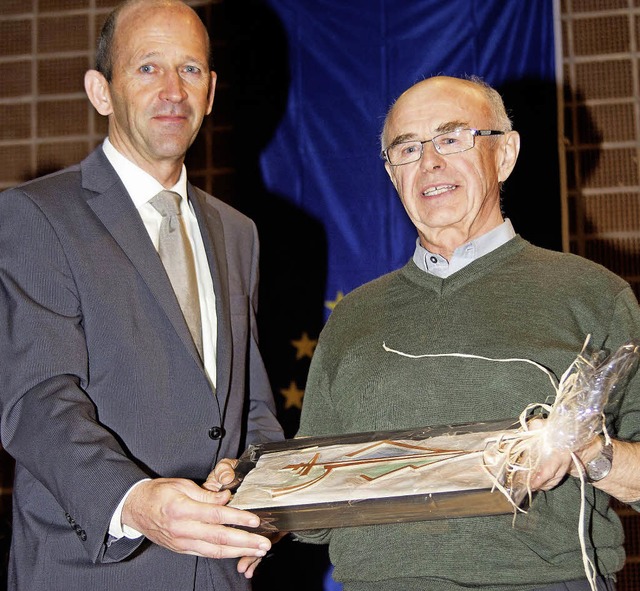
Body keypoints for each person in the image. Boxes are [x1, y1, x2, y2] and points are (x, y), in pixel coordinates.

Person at [289, 75, 640, 590]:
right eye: (407, 148)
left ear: (505, 154)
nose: (430, 162)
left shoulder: (593, 296)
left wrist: (586, 452)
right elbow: (312, 509)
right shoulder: (351, 320)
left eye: (452, 138)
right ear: (392, 174)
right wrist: (245, 500)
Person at [0, 1, 283, 589]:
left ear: (211, 94)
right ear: (101, 91)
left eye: (192, 70)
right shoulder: (34, 215)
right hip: (95, 572)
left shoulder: (239, 233)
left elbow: (252, 406)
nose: (174, 90)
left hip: (222, 572)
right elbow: (36, 401)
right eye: (148, 68)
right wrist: (133, 503)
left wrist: (266, 495)